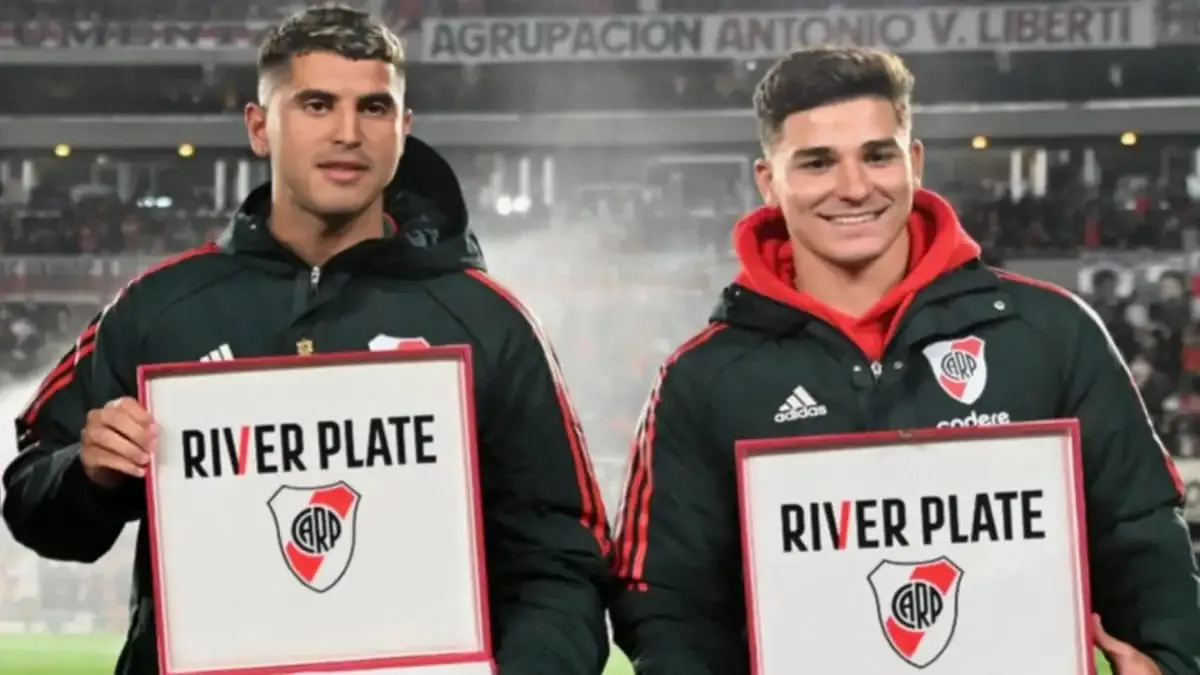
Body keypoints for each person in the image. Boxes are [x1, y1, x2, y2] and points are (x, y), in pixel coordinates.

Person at [1, 7, 611, 675]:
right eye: (316, 104)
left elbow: (563, 561)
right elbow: (32, 497)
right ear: (260, 127)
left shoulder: (491, 322)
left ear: (403, 131)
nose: (348, 132)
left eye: (374, 108)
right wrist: (84, 474)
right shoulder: (157, 310)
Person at [608, 46, 1200, 675]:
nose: (855, 187)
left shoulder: (1048, 333)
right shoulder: (703, 378)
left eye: (878, 154)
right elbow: (667, 601)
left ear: (913, 162)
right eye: (817, 163)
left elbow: (1140, 533)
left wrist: (1170, 661)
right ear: (768, 181)